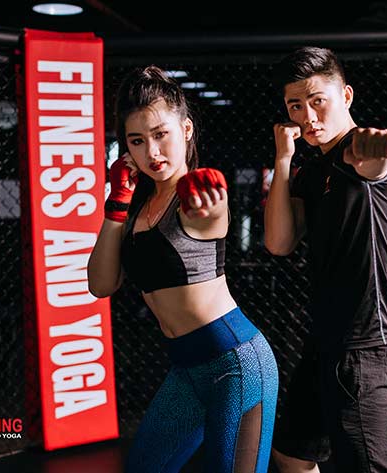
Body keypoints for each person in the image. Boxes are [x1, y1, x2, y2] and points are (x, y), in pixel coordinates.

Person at [87, 65, 278, 473]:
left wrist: (210, 202)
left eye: (161, 135)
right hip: (188, 371)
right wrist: (116, 204)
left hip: (237, 364)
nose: (152, 152)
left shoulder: (193, 198)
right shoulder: (136, 207)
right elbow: (101, 284)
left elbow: (211, 215)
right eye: (137, 141)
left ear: (186, 130)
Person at [264, 47, 387, 473]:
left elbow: (375, 163)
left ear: (345, 96)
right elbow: (279, 243)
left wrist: (380, 152)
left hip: (365, 347)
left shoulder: (355, 153)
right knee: (292, 455)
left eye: (317, 100)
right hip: (324, 343)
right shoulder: (311, 172)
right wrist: (283, 159)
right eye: (295, 105)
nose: (308, 116)